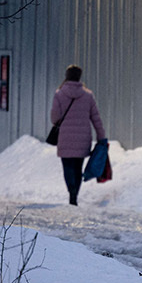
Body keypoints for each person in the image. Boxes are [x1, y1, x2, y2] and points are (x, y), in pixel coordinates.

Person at [51, 65, 106, 206]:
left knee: (67, 167)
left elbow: (54, 118)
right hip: (83, 139)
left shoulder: (59, 94)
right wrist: (101, 136)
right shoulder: (88, 96)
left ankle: (71, 191)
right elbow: (96, 118)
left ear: (67, 76)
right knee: (78, 168)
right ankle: (75, 195)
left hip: (65, 138)